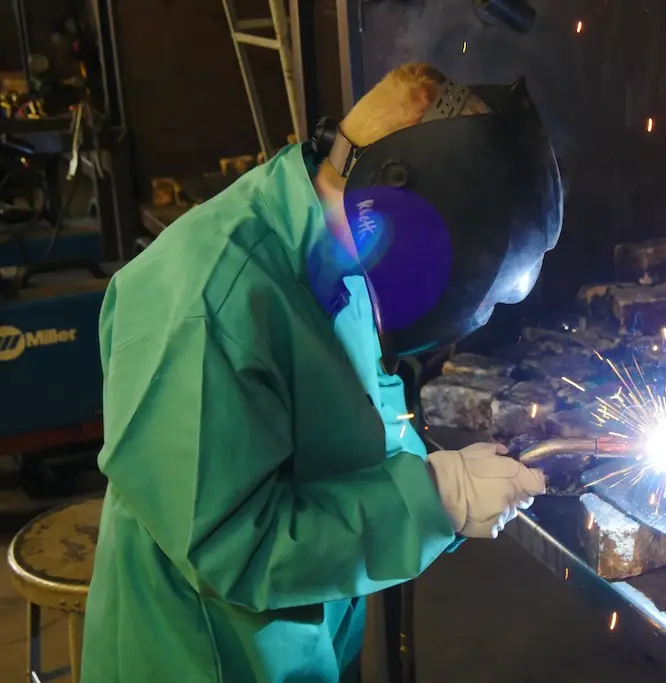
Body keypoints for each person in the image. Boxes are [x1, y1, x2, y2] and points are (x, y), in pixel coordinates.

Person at [80, 62, 563, 683]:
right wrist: (433, 500)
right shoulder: (208, 304)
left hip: (302, 641)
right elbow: (233, 548)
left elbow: (367, 420)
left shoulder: (338, 247)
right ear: (402, 193)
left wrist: (444, 478)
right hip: (201, 658)